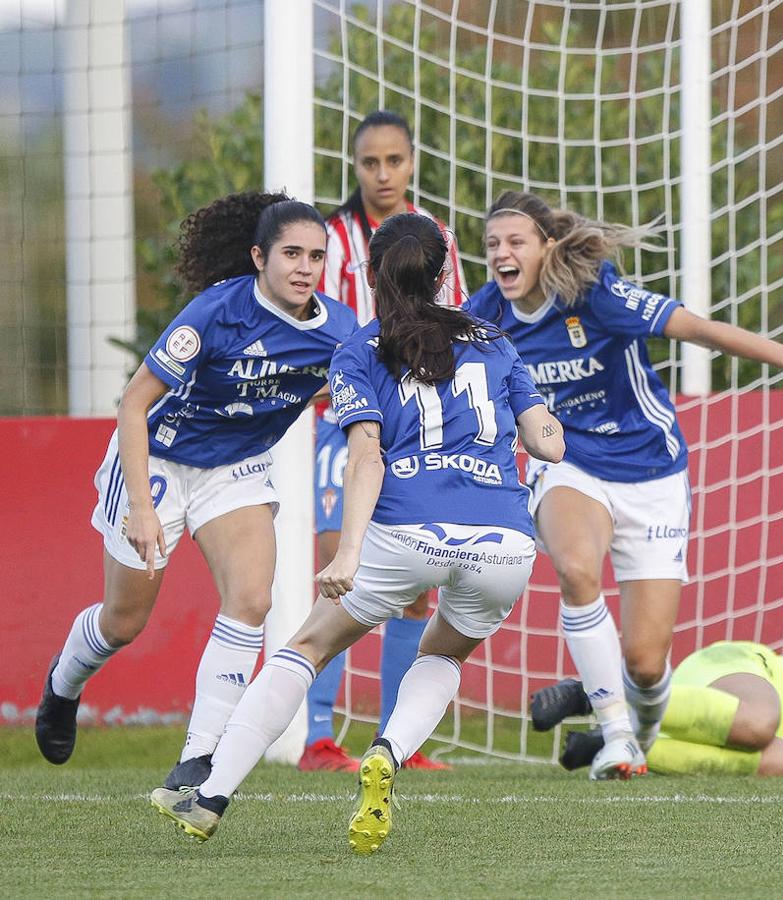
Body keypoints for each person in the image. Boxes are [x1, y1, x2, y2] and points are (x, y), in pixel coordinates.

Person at [151, 212, 565, 853]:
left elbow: (365, 457)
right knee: (446, 653)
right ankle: (388, 751)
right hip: (503, 543)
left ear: (371, 274)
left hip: (407, 534)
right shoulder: (494, 340)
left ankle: (210, 795)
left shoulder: (360, 348)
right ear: (442, 274)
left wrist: (347, 551)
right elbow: (546, 442)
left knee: (307, 647)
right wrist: (545, 426)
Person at [465, 191, 783, 780]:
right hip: (568, 464)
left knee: (646, 664)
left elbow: (698, 328)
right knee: (575, 569)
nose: (501, 254)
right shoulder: (485, 316)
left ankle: (631, 740)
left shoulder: (595, 296)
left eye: (515, 241)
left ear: (547, 246)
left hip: (652, 472)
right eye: (492, 244)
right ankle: (618, 734)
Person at [34, 193, 358, 791]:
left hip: (233, 469)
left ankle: (199, 757)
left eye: (316, 256)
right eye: (291, 253)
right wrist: (140, 505)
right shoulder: (214, 312)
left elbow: (353, 395)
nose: (304, 267)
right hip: (156, 459)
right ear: (259, 257)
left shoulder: (341, 334)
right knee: (124, 621)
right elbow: (133, 404)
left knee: (252, 599)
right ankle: (64, 684)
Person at [304, 109, 469, 773]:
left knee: (415, 587)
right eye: (369, 162)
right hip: (339, 421)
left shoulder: (436, 237)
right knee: (335, 573)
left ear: (411, 163)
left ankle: (398, 741)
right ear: (355, 166)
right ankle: (317, 739)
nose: (381, 174)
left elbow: (450, 326)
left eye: (393, 161)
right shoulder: (328, 238)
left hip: (411, 426)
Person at [547, 641, 783, 776]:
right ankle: (595, 693)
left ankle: (616, 744)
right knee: (759, 723)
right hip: (751, 670)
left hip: (757, 729)